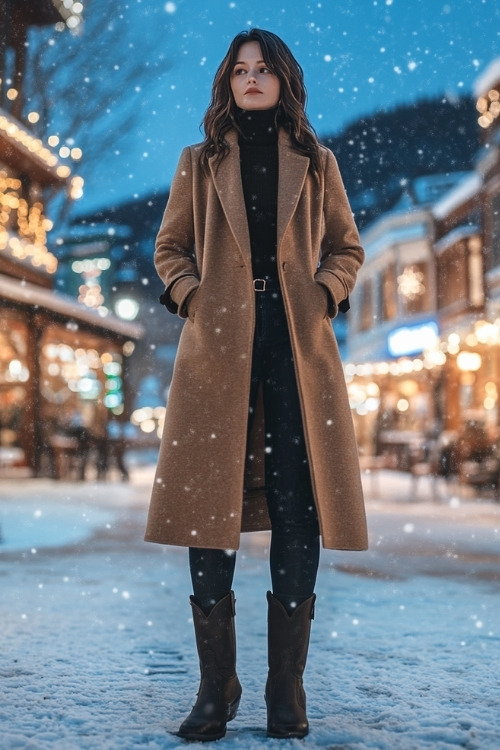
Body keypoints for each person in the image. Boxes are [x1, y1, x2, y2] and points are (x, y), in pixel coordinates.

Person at [145, 28, 368, 741]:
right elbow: (169, 248)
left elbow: (348, 247)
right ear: (226, 82)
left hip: (296, 353)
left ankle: (284, 691)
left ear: (283, 80)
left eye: (262, 69)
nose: (250, 79)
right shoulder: (198, 161)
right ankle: (217, 690)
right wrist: (191, 297)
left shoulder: (318, 161)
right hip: (218, 356)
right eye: (239, 70)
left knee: (298, 509)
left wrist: (325, 295)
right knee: (208, 513)